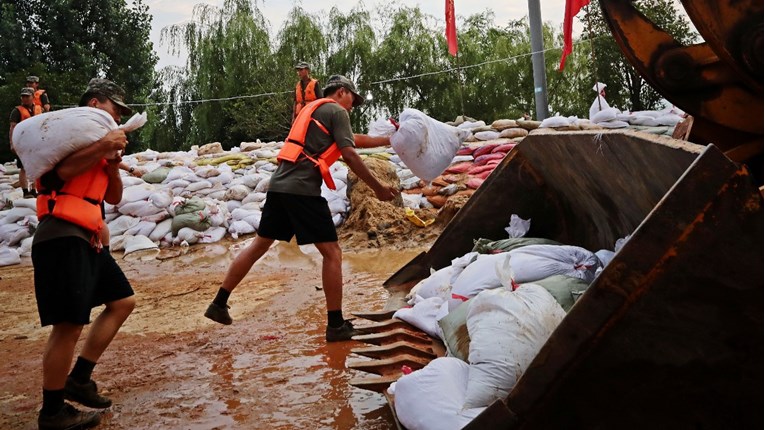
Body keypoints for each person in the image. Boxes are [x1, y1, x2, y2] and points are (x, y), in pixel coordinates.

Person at [205, 74, 399, 342]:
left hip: (279, 186)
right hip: (302, 190)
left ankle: (218, 302)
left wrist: (388, 141)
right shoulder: (338, 111)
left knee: (259, 245)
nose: (353, 105)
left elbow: (353, 140)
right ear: (342, 92)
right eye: (353, 99)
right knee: (332, 253)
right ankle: (335, 325)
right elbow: (350, 153)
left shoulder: (313, 111)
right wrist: (378, 188)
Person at [32, 78, 136, 430]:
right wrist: (102, 145)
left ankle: (80, 378)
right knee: (68, 326)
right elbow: (63, 173)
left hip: (86, 237)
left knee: (122, 301)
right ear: (95, 104)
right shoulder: (64, 140)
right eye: (115, 108)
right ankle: (52, 412)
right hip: (61, 236)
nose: (118, 116)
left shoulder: (96, 146)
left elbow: (114, 198)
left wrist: (110, 163)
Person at [9, 87, 43, 198]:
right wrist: (12, 143)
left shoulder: (39, 109)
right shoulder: (17, 111)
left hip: (36, 142)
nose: (24, 98)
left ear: (33, 97)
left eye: (27, 96)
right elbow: (12, 128)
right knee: (23, 167)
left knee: (36, 167)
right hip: (22, 143)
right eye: (23, 96)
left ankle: (34, 189)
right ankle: (25, 191)